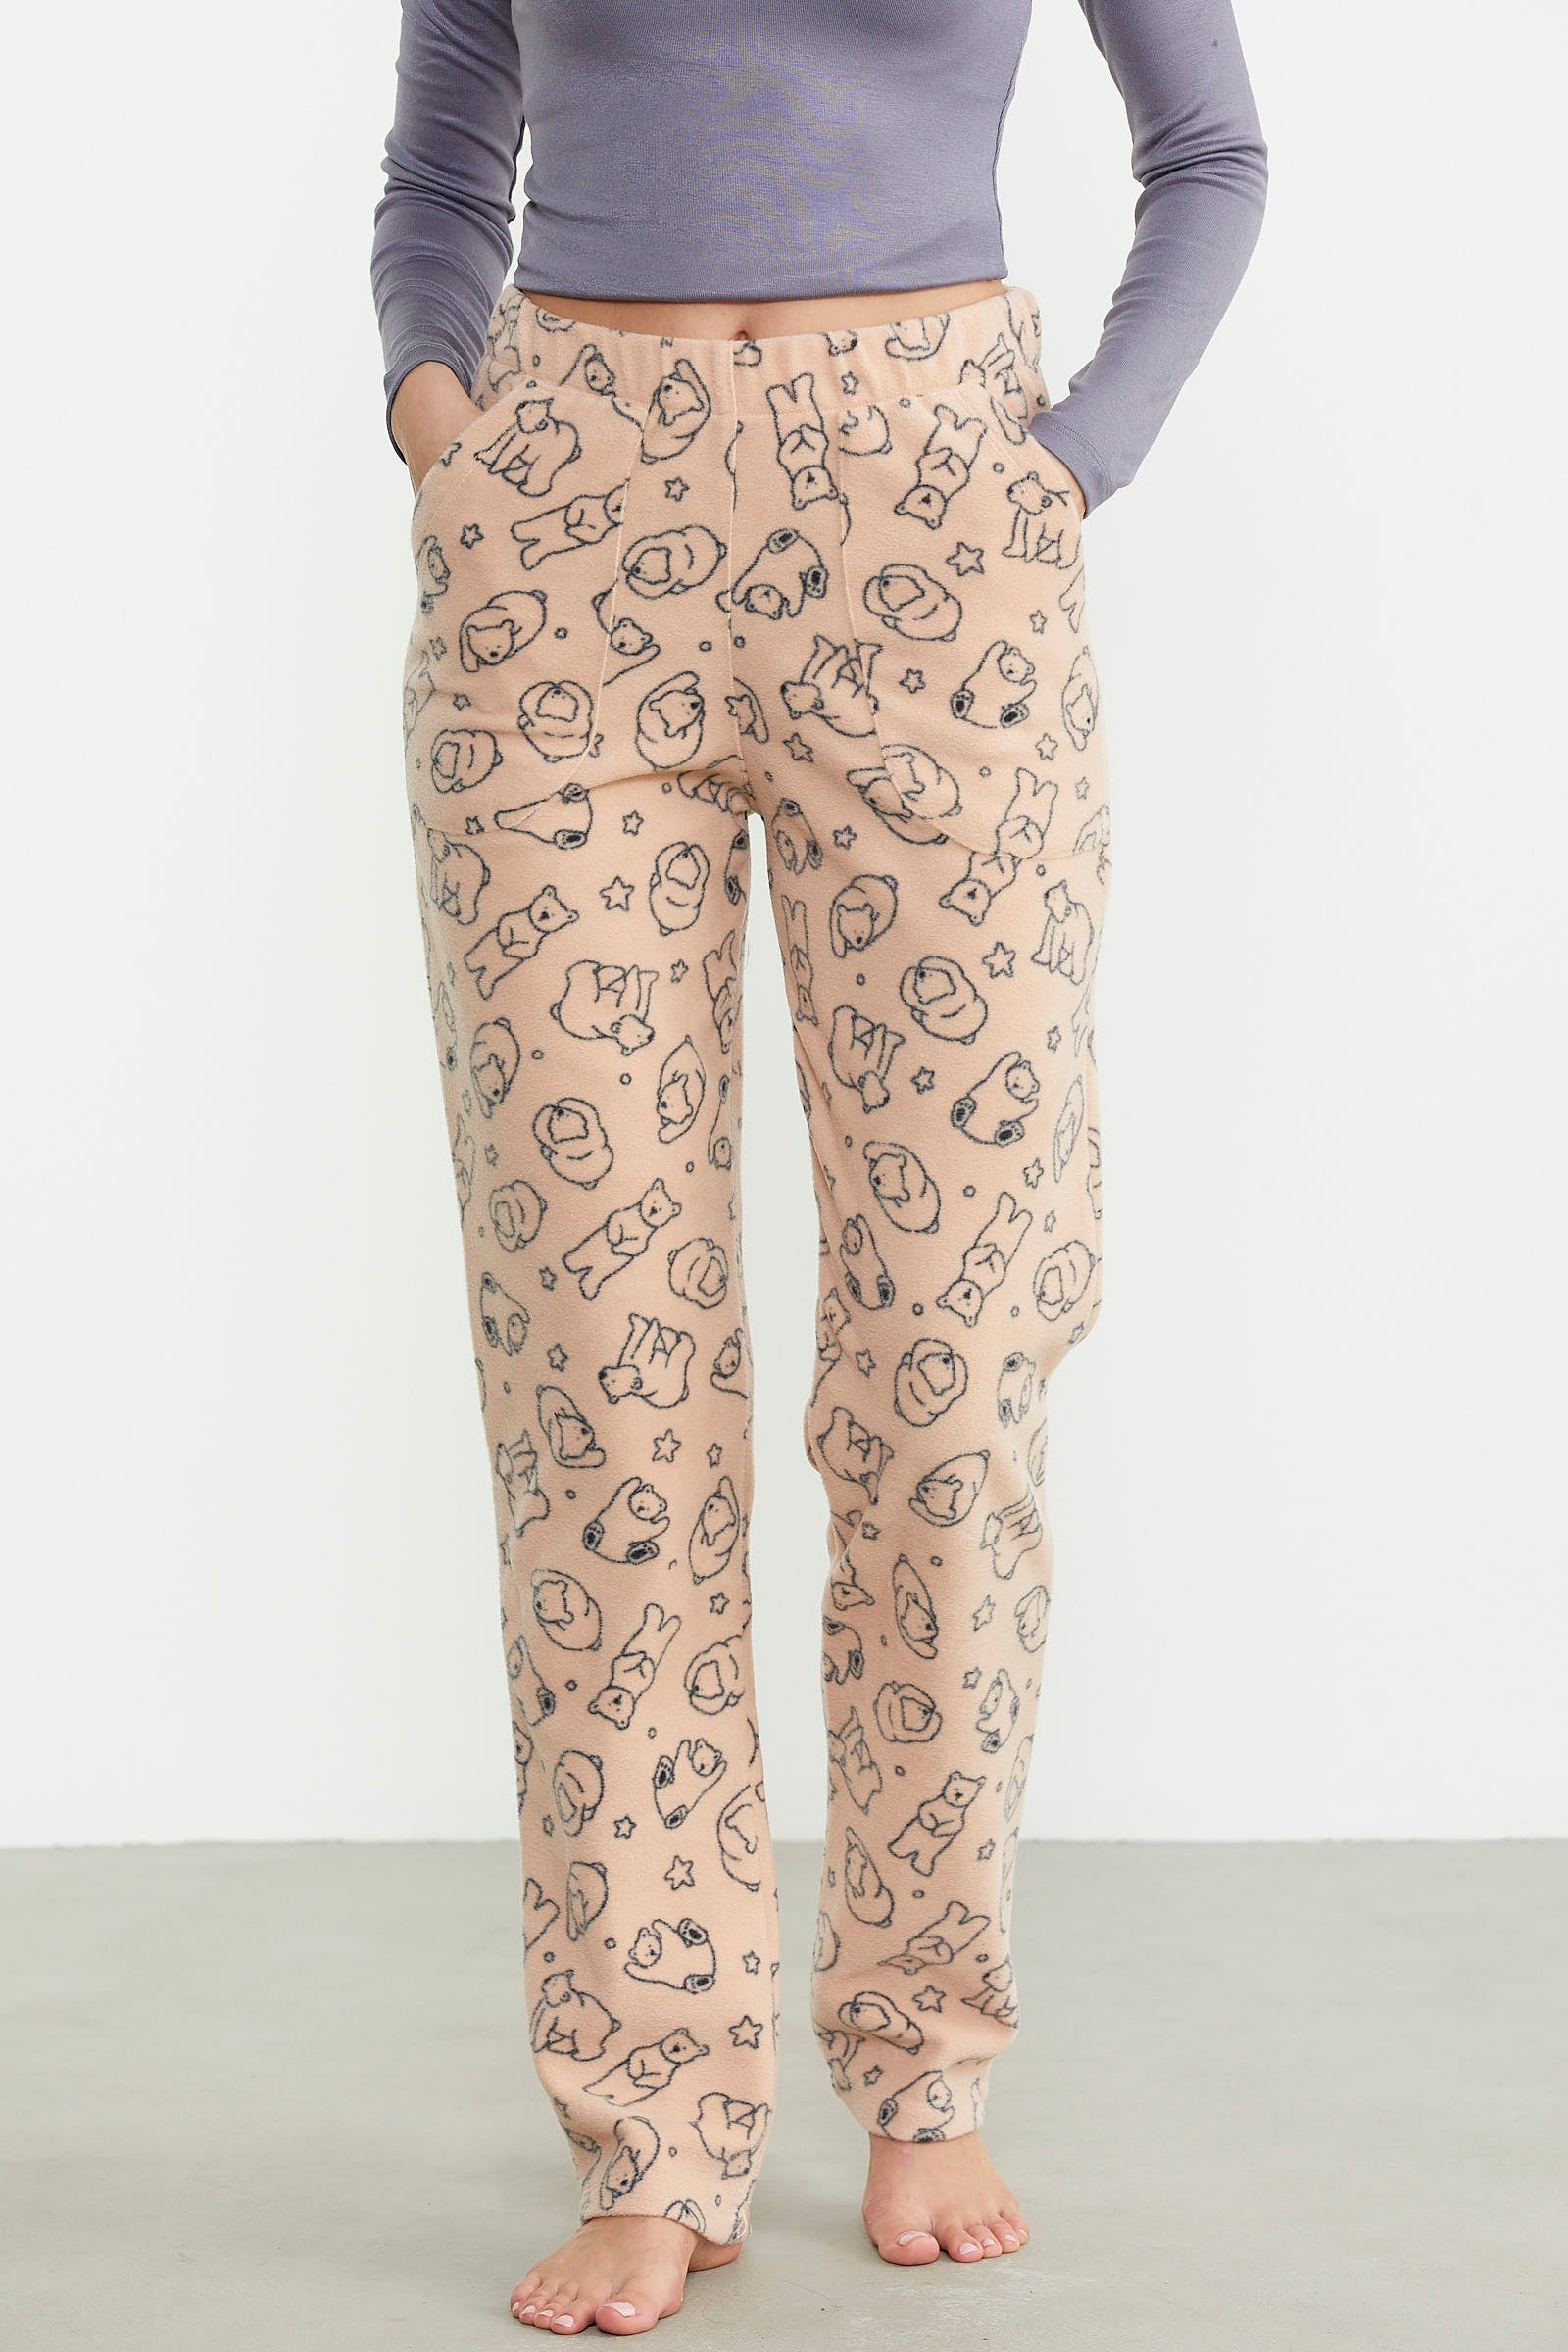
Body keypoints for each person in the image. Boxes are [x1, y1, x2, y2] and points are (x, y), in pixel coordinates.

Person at [371, 0, 1265, 2333]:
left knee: (948, 1379)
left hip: (931, 521)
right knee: (602, 1396)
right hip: (566, 547)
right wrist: (441, 421)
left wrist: (1062, 464)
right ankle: (653, 2127)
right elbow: (444, 157)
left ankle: (922, 2049)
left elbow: (1208, 151)